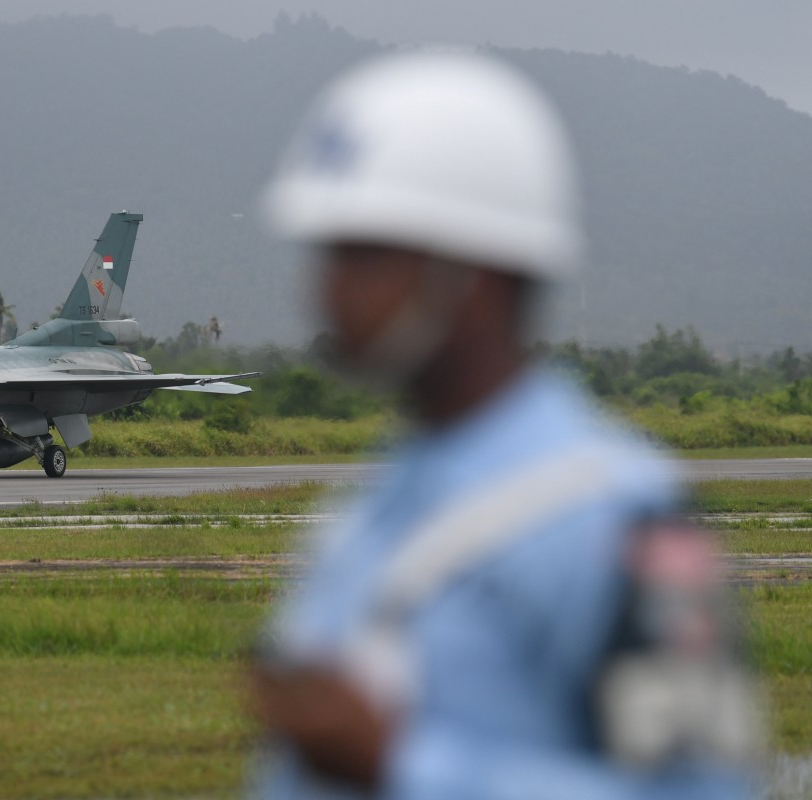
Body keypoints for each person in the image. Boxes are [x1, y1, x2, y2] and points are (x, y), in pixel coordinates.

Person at [249, 50, 757, 799]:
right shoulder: (369, 511)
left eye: (364, 254)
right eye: (327, 253)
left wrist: (405, 767)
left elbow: (700, 789)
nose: (329, 288)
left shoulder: (619, 517)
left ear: (469, 274)